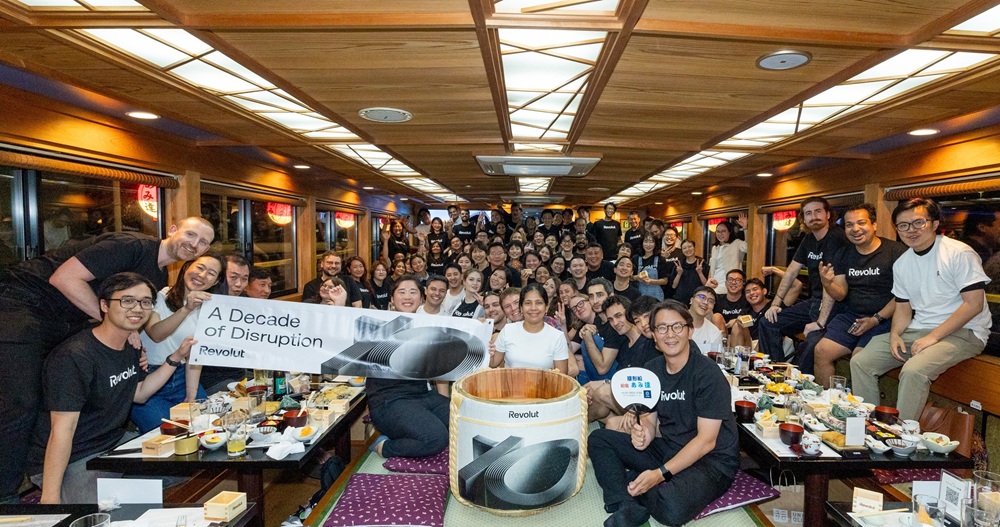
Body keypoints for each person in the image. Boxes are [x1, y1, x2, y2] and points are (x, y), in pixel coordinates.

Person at [0, 216, 213, 504]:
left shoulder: (158, 277)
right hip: (21, 304)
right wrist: (120, 326)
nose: (194, 244)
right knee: (22, 402)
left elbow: (141, 386)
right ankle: (10, 496)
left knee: (183, 467)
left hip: (67, 320)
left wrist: (171, 353)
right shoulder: (131, 246)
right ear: (173, 229)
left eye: (203, 242)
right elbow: (63, 278)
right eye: (191, 234)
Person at [28, 273, 197, 503]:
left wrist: (176, 356)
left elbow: (139, 394)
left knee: (183, 465)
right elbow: (62, 430)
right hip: (73, 456)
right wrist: (50, 496)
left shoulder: (130, 346)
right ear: (104, 305)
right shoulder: (74, 356)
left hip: (113, 442)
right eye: (127, 300)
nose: (137, 308)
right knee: (103, 509)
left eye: (145, 302)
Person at [589, 300, 739, 527]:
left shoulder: (708, 374)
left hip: (711, 460)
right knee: (599, 439)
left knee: (672, 508)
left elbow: (706, 441)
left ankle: (633, 483)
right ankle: (624, 503)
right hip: (670, 446)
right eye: (662, 328)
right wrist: (644, 435)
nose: (670, 334)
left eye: (677, 326)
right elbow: (649, 421)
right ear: (654, 337)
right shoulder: (652, 370)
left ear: (689, 331)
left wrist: (659, 475)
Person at [851, 198, 992, 421]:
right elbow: (903, 308)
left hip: (965, 332)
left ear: (934, 224)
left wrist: (932, 337)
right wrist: (895, 334)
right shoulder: (903, 263)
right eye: (903, 225)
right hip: (919, 330)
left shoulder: (958, 253)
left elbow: (974, 304)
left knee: (913, 371)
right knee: (861, 361)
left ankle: (902, 434)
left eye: (918, 223)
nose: (911, 230)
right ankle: (868, 425)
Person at [812, 204, 906, 387]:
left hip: (886, 319)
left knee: (859, 358)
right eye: (849, 225)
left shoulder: (896, 251)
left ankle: (857, 404)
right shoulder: (844, 254)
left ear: (874, 225)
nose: (855, 229)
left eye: (861, 223)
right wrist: (828, 284)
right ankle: (828, 400)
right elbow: (840, 294)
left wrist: (876, 319)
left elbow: (903, 295)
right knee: (821, 351)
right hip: (852, 317)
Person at [131, 253, 226, 433]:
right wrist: (186, 309)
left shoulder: (209, 311)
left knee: (205, 427)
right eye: (200, 267)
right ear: (186, 267)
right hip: (148, 379)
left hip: (183, 376)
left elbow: (195, 355)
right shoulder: (159, 296)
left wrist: (191, 395)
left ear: (215, 282)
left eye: (211, 273)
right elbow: (156, 334)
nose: (202, 275)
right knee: (167, 434)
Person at [759, 197, 849, 362]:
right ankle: (773, 369)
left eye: (818, 211)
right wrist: (775, 304)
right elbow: (791, 272)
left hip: (836, 306)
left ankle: (798, 376)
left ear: (828, 214)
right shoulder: (809, 239)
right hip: (814, 301)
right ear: (804, 219)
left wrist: (820, 323)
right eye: (808, 213)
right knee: (768, 322)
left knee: (810, 344)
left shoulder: (836, 238)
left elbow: (829, 284)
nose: (813, 217)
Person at [368, 276, 449, 459]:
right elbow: (342, 334)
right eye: (402, 292)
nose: (407, 297)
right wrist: (339, 305)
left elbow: (446, 361)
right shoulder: (377, 325)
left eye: (413, 292)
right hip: (389, 400)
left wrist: (480, 334)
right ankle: (384, 447)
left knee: (465, 422)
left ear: (421, 298)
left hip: (422, 395)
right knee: (436, 439)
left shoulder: (427, 327)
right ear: (392, 298)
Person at [585, 296, 660, 425]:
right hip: (629, 402)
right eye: (610, 319)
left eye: (619, 316)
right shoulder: (624, 344)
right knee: (594, 397)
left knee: (603, 392)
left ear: (630, 314)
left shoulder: (650, 341)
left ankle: (578, 423)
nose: (615, 323)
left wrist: (606, 383)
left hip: (648, 407)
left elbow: (650, 384)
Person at [491, 283, 569, 373]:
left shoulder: (557, 337)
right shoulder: (508, 330)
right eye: (528, 303)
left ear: (546, 307)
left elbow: (561, 377)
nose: (533, 308)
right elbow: (492, 363)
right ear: (521, 308)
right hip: (510, 382)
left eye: (539, 303)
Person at [706, 216, 748, 294]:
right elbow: (712, 270)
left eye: (723, 231)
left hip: (729, 286)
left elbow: (747, 247)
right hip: (714, 285)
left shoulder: (736, 243)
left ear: (729, 232)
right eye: (718, 231)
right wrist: (708, 284)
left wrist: (745, 228)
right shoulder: (715, 248)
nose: (720, 234)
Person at [728, 278, 770, 348]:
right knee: (737, 326)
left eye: (755, 289)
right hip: (748, 345)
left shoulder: (772, 307)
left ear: (764, 291)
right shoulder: (746, 311)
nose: (752, 293)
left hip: (766, 344)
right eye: (747, 292)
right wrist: (738, 320)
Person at [633, 234, 670, 300]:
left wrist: (651, 281)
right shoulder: (635, 258)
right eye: (646, 241)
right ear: (642, 243)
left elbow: (665, 281)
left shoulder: (660, 259)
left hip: (656, 297)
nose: (648, 244)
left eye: (651, 242)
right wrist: (637, 277)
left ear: (655, 244)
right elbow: (630, 277)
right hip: (639, 296)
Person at [689, 286, 725, 354]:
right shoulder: (674, 322)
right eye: (702, 297)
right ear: (691, 300)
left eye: (710, 301)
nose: (705, 302)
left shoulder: (714, 333)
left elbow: (716, 359)